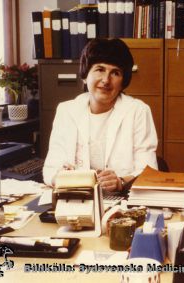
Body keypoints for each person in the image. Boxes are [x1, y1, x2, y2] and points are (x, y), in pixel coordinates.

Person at [43, 38, 158, 191]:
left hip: (121, 201)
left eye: (115, 73)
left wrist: (120, 182)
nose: (106, 80)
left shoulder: (138, 111)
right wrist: (62, 177)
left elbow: (148, 171)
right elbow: (50, 169)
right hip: (77, 198)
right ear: (85, 75)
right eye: (100, 69)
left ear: (123, 81)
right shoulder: (66, 110)